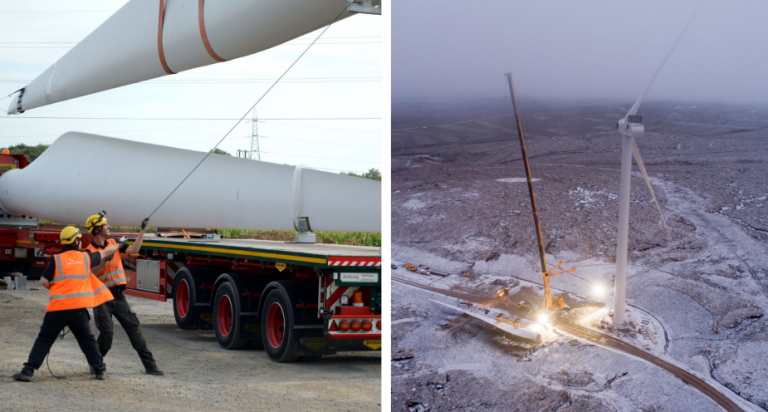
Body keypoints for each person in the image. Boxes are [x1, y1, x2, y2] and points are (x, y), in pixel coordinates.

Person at [12, 226, 121, 382]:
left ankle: (27, 371)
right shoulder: (86, 258)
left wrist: (56, 288)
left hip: (57, 308)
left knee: (44, 339)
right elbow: (105, 252)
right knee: (87, 340)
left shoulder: (56, 259)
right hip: (77, 310)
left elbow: (43, 281)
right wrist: (120, 244)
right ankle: (99, 370)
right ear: (76, 241)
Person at [85, 212, 164, 376]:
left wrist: (142, 230)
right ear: (97, 229)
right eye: (105, 224)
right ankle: (96, 364)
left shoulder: (114, 242)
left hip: (118, 296)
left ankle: (150, 366)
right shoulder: (89, 251)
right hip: (101, 297)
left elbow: (135, 249)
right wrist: (104, 261)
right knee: (107, 333)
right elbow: (88, 272)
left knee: (134, 329)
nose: (108, 226)